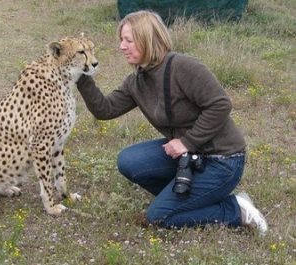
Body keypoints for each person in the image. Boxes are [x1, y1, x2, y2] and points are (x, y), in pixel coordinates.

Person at [76, 10, 268, 235]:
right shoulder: (137, 81)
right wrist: (80, 72)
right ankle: (186, 200)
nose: (121, 46)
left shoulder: (183, 66)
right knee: (129, 161)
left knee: (158, 218)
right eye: (121, 40)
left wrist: (187, 142)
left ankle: (237, 210)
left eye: (128, 40)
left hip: (223, 160)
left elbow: (220, 105)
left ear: (147, 39)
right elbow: (104, 109)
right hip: (190, 158)